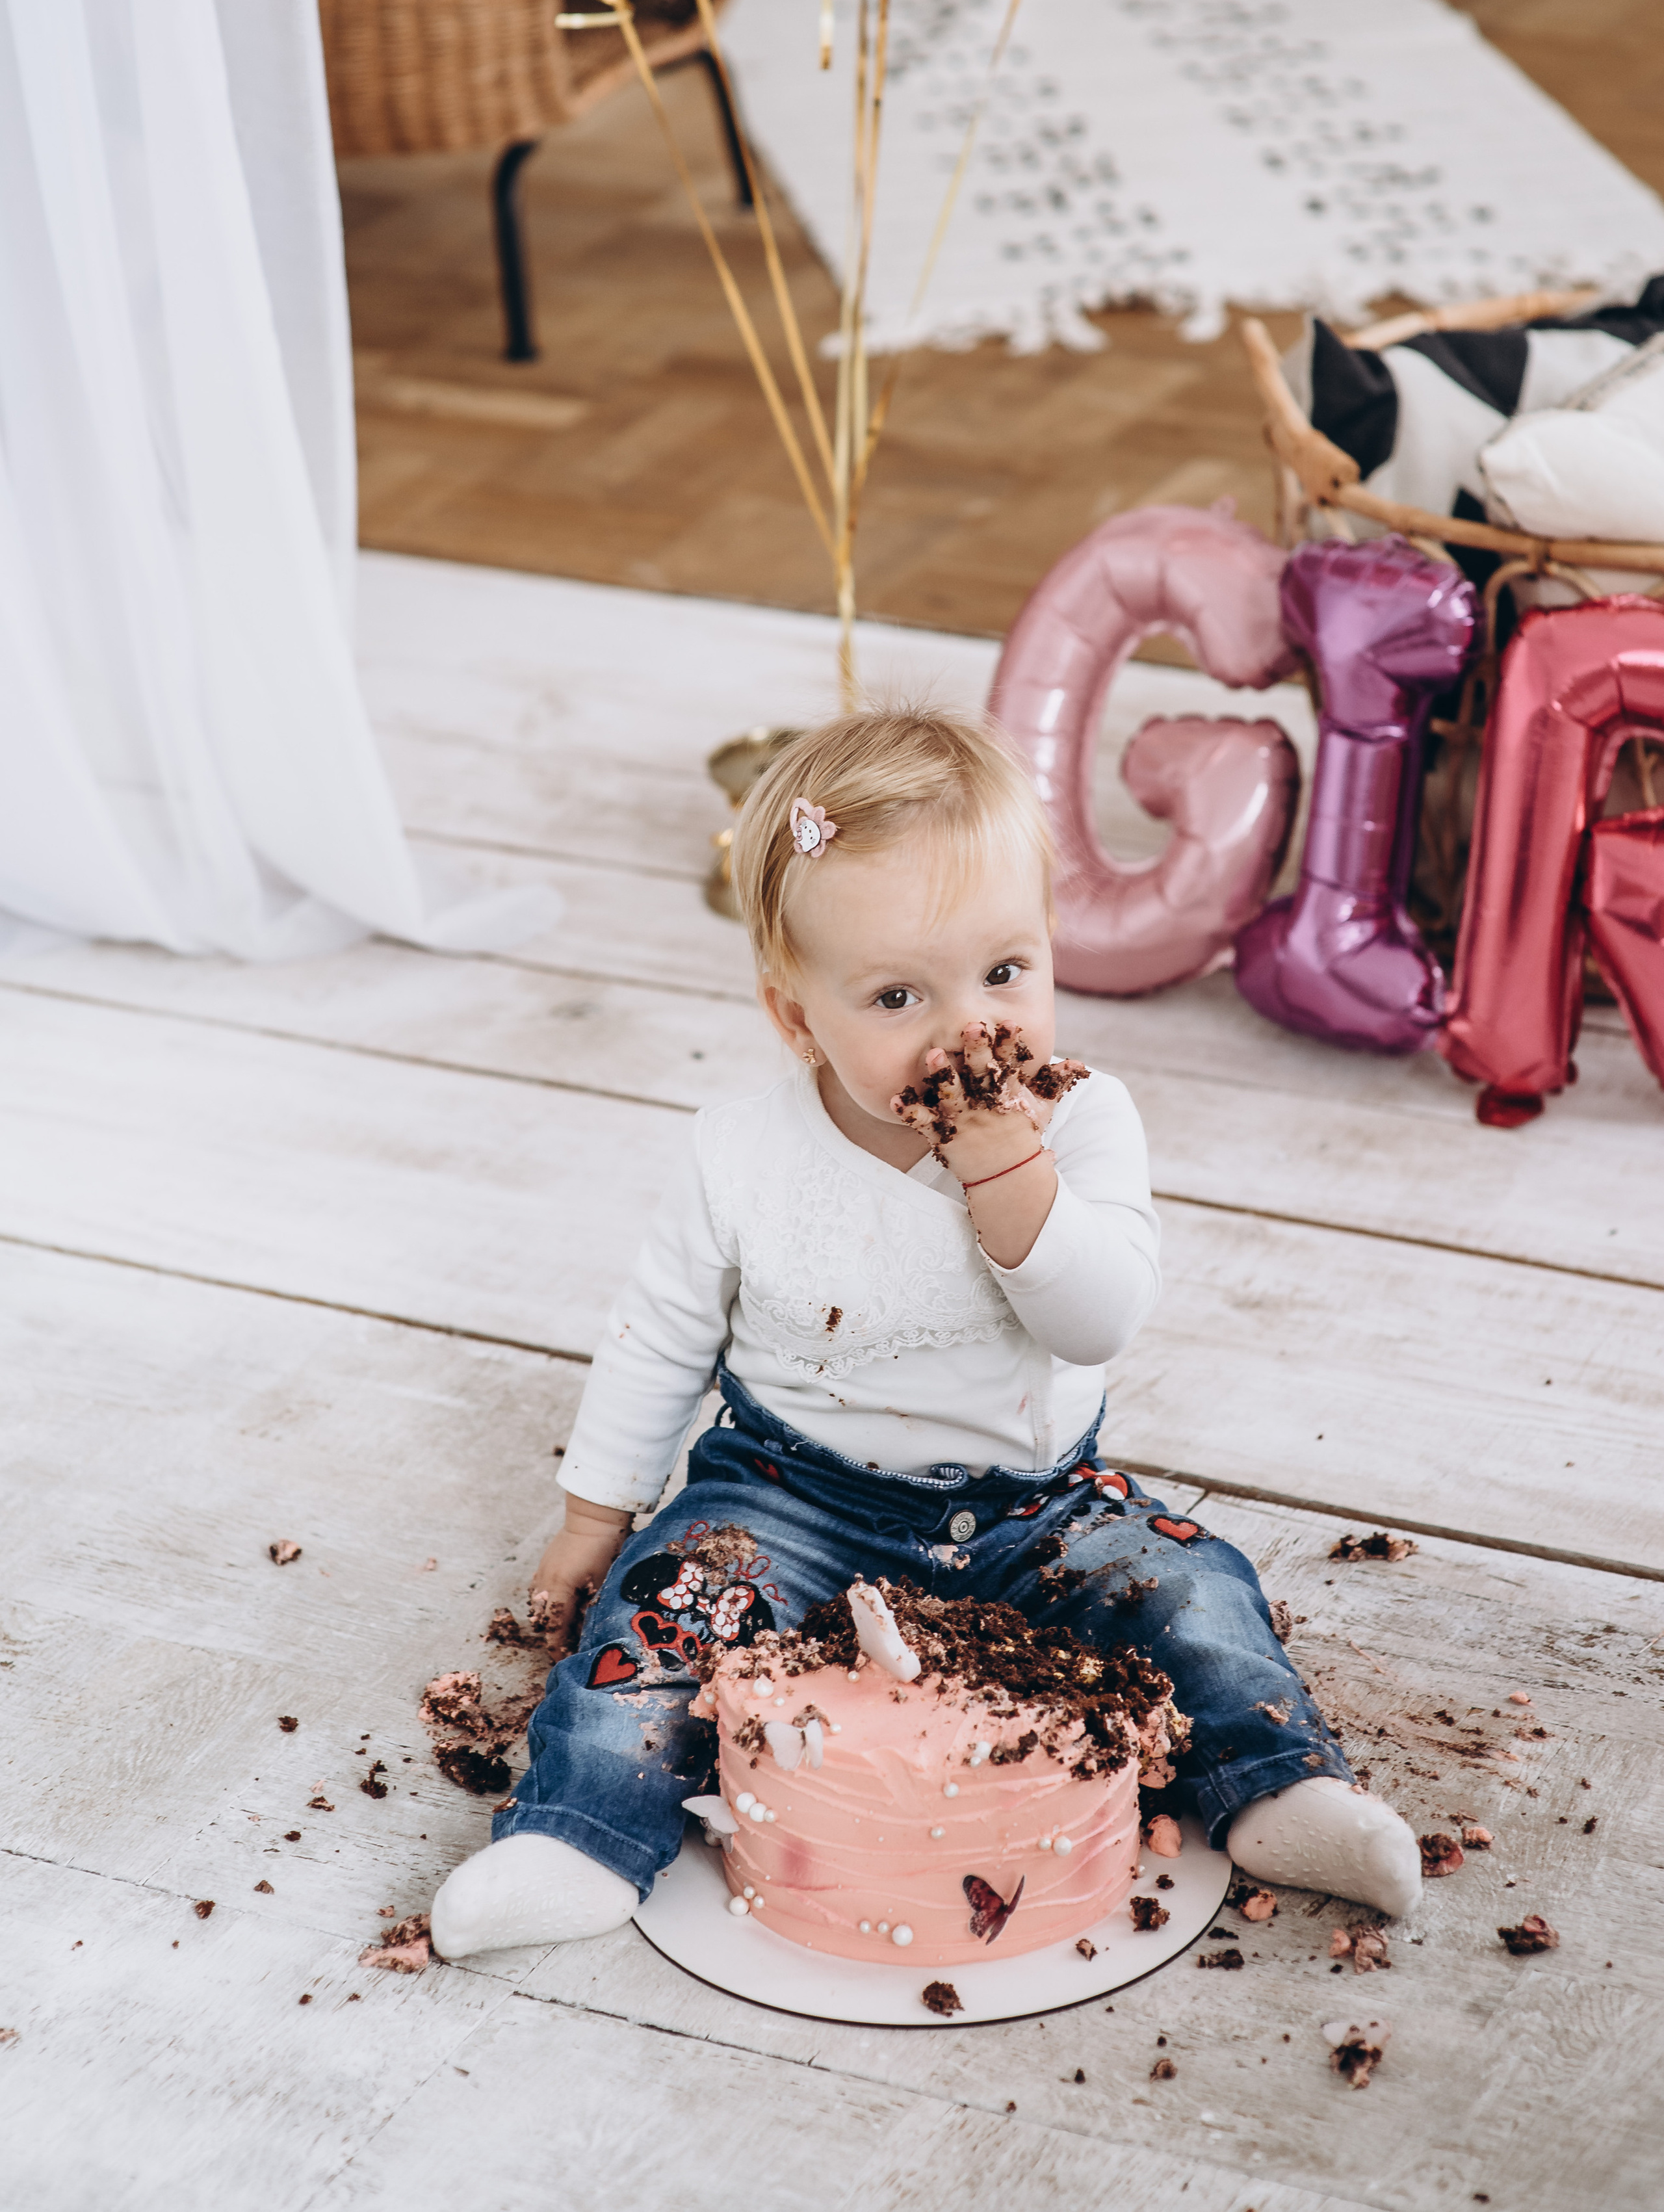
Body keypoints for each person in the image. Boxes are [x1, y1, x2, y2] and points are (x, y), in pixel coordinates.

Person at [430, 708, 1420, 1957]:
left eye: (1006, 973)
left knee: (1190, 1590)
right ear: (798, 1017)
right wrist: (593, 1516)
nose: (970, 1031)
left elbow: (1098, 1313)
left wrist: (1012, 1174)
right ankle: (577, 1832)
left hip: (1040, 1505)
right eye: (899, 994)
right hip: (790, 1491)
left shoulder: (1085, 1123)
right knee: (663, 1616)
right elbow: (659, 1335)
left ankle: (1280, 1784)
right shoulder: (742, 1149)